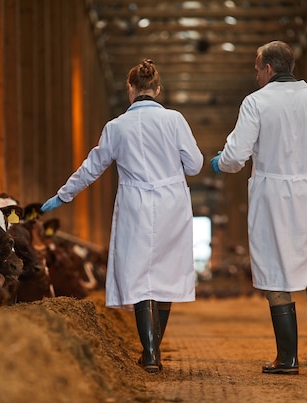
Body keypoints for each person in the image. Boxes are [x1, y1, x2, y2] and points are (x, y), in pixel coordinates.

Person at [41, 58, 203, 373]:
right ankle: (153, 348)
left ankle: (151, 353)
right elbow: (195, 165)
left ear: (130, 89)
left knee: (142, 276)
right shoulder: (175, 121)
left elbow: (92, 168)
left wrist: (63, 195)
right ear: (157, 89)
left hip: (136, 202)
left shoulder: (116, 127)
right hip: (171, 202)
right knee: (166, 276)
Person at [210, 41, 307, 374]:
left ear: (268, 69)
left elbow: (234, 157)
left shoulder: (256, 102)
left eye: (256, 68)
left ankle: (286, 358)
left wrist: (219, 164)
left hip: (272, 192)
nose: (255, 74)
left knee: (274, 270)